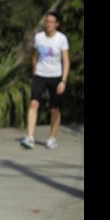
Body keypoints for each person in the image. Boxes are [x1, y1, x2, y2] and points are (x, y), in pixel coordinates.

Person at [20, 11, 70, 150]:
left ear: (57, 24)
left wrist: (63, 81)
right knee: (34, 103)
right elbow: (35, 56)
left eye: (51, 22)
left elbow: (66, 61)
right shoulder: (39, 37)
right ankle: (30, 137)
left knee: (55, 108)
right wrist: (35, 71)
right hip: (40, 75)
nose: (48, 24)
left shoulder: (62, 39)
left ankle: (52, 138)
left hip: (56, 77)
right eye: (47, 21)